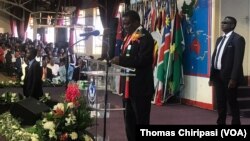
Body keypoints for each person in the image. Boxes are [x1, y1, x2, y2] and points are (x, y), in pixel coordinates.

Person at [111, 10, 154, 141]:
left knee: (141, 122)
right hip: (128, 88)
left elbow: (143, 60)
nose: (124, 27)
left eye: (127, 24)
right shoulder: (128, 37)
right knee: (129, 122)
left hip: (140, 87)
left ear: (137, 22)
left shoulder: (145, 37)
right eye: (123, 24)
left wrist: (121, 60)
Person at [209, 16, 245, 125]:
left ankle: (236, 123)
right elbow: (216, 57)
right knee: (220, 102)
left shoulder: (238, 39)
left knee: (232, 102)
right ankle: (221, 122)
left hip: (230, 77)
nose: (222, 24)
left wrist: (234, 78)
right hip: (218, 76)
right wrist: (212, 77)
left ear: (232, 25)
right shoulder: (219, 39)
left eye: (225, 22)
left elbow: (238, 61)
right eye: (222, 22)